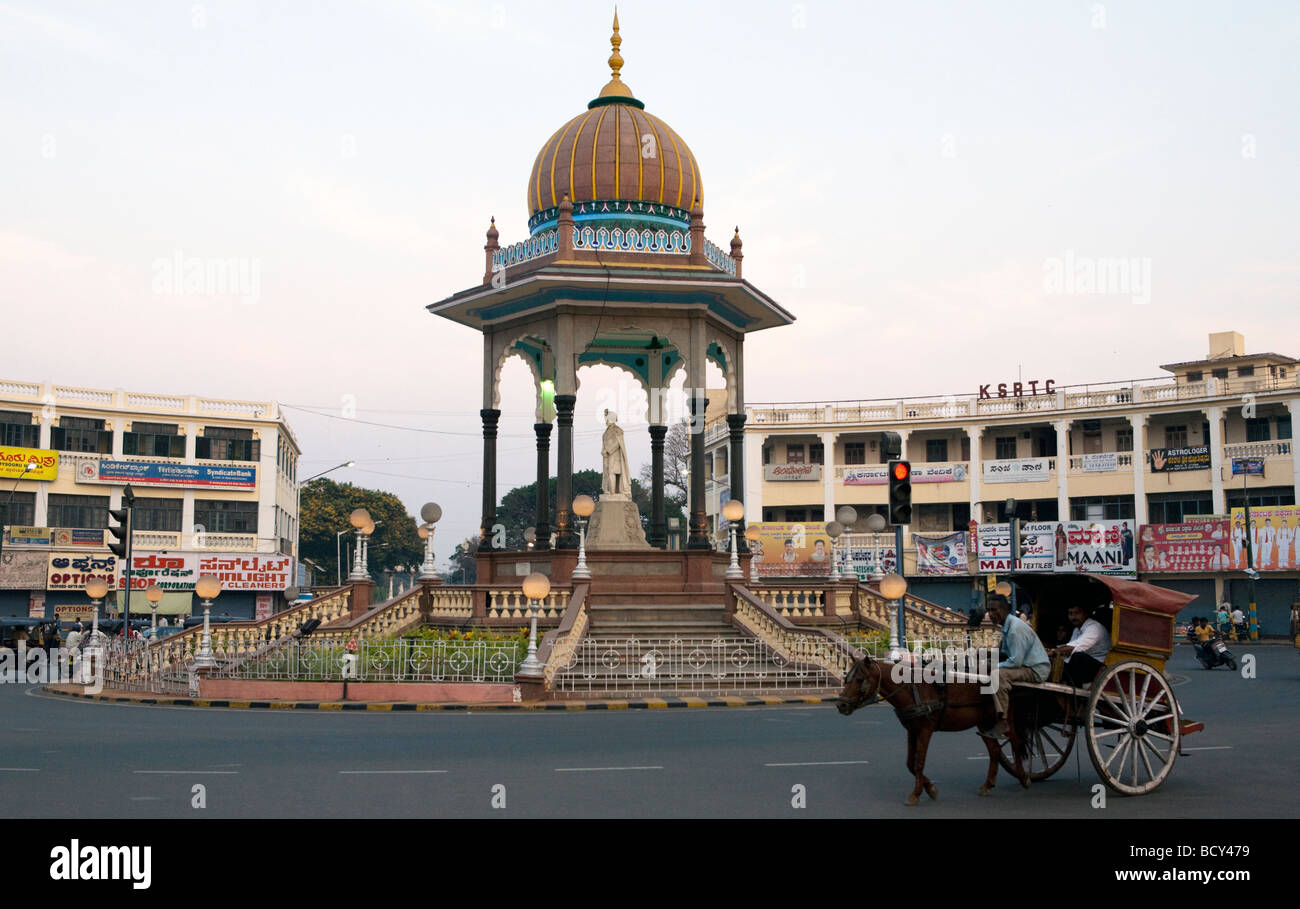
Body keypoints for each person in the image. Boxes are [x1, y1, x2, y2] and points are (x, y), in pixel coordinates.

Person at [980, 594, 1050, 739]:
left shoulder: (1014, 629)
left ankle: (1003, 721)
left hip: (1034, 669)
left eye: (994, 610)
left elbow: (1015, 662)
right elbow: (1003, 652)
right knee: (986, 666)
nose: (991, 614)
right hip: (1023, 665)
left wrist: (995, 666)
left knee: (997, 675)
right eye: (989, 610)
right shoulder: (1007, 626)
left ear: (1004, 610)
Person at [1052, 603, 1111, 687]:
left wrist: (1053, 652)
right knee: (1060, 661)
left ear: (1086, 614)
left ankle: (1074, 688)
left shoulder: (1094, 628)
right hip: (1086, 665)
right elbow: (1069, 651)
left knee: (1078, 656)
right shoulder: (1076, 629)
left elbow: (1075, 647)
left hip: (1101, 668)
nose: (1073, 617)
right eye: (1071, 614)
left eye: (1077, 613)